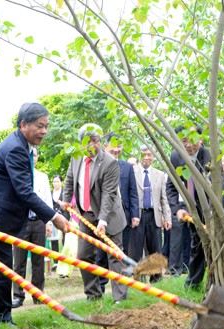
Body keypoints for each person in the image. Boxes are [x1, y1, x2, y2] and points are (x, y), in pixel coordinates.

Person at [0, 103, 69, 325]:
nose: (44, 131)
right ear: (24, 124)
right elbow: (25, 192)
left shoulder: (21, 144)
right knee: (1, 267)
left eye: (46, 126)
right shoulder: (16, 148)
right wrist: (54, 216)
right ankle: (1, 318)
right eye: (39, 126)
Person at [59, 124, 128, 303]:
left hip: (109, 215)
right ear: (81, 143)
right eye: (88, 142)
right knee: (83, 255)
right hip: (86, 215)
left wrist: (103, 221)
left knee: (114, 256)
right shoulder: (76, 158)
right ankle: (93, 294)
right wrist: (66, 200)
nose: (93, 145)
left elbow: (109, 194)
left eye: (96, 141)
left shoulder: (109, 163)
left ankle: (120, 298)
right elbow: (69, 180)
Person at [166, 124, 224, 289]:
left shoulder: (210, 155)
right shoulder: (176, 156)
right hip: (195, 209)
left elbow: (217, 187)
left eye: (193, 140)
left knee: (219, 245)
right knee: (197, 245)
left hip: (218, 208)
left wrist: (213, 217)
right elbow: (171, 186)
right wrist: (178, 209)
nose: (189, 145)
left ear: (201, 139)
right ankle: (192, 284)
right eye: (183, 141)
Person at [95, 133, 139, 293]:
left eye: (119, 146)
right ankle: (100, 286)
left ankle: (122, 286)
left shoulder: (127, 167)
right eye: (113, 145)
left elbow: (133, 192)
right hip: (102, 216)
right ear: (105, 146)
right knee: (100, 254)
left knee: (121, 252)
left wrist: (135, 214)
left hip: (123, 216)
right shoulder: (98, 165)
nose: (116, 149)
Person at [12, 148, 53, 308]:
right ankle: (17, 295)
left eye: (34, 155)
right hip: (20, 222)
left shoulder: (42, 177)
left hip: (38, 221)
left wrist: (49, 222)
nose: (32, 158)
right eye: (29, 155)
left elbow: (47, 200)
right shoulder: (16, 175)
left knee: (38, 260)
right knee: (19, 260)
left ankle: (38, 294)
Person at [129, 146, 171, 282]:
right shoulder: (132, 172)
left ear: (153, 156)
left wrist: (167, 217)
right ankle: (135, 279)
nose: (147, 157)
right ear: (139, 155)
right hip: (137, 216)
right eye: (144, 154)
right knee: (135, 250)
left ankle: (156, 280)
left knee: (156, 250)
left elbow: (163, 199)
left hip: (155, 216)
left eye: (150, 155)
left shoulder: (159, 174)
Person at [50, 174, 69, 254]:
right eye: (54, 182)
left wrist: (60, 211)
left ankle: (65, 255)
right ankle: (55, 261)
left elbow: (67, 203)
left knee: (65, 236)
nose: (56, 183)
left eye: (57, 181)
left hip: (64, 215)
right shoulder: (50, 192)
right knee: (54, 237)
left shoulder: (65, 192)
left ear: (61, 182)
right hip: (53, 215)